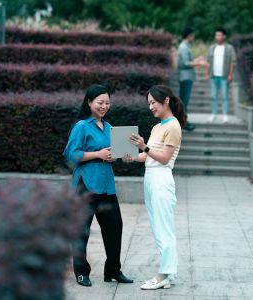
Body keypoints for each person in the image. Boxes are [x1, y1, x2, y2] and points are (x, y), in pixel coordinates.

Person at [63, 84, 133, 287]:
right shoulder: (81, 126)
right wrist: (98, 154)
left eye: (107, 103)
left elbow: (113, 153)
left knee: (115, 228)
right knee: (81, 230)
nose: (104, 106)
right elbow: (71, 154)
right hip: (86, 184)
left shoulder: (110, 127)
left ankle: (112, 271)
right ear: (89, 102)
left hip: (106, 184)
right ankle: (81, 273)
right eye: (100, 102)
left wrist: (118, 156)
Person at [122, 85, 186, 290]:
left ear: (166, 100)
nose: (150, 107)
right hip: (150, 178)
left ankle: (164, 275)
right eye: (148, 103)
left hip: (161, 180)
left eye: (153, 102)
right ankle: (169, 273)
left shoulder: (173, 126)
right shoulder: (157, 127)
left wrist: (143, 146)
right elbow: (149, 155)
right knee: (158, 229)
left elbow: (165, 159)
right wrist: (132, 157)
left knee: (163, 229)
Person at [178, 26, 207, 131]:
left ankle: (182, 122)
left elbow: (188, 60)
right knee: (184, 101)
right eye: (193, 35)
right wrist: (200, 63)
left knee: (184, 101)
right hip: (185, 77)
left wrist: (197, 59)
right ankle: (184, 123)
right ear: (189, 36)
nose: (193, 37)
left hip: (187, 77)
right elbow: (186, 63)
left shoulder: (186, 46)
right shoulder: (184, 47)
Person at [205, 27, 237, 123]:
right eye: (216, 35)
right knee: (213, 96)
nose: (217, 37)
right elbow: (208, 62)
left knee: (224, 96)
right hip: (213, 76)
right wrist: (207, 74)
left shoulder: (229, 48)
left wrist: (230, 75)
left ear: (224, 36)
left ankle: (225, 116)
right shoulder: (212, 48)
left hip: (224, 76)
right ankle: (213, 114)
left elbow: (233, 62)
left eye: (219, 35)